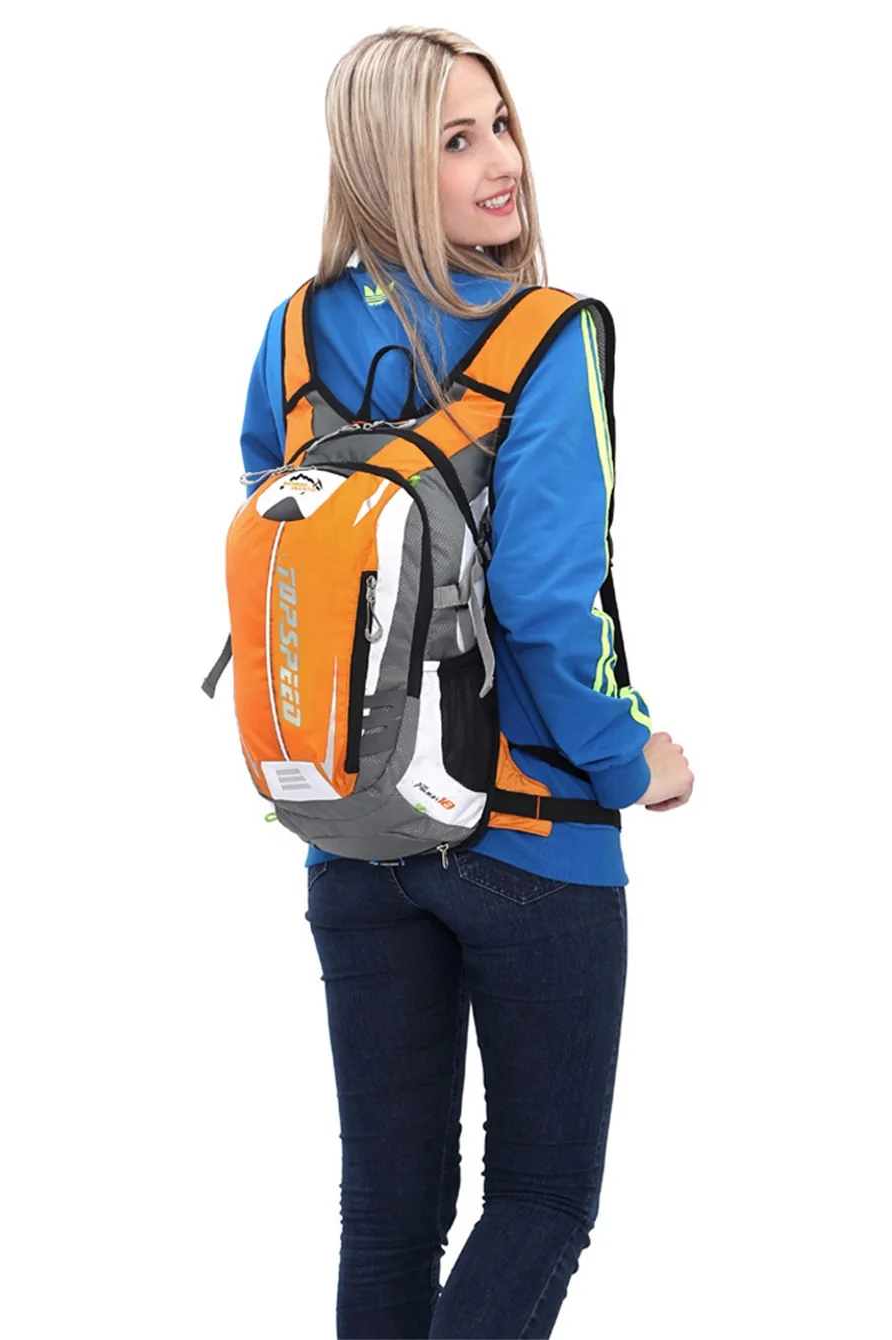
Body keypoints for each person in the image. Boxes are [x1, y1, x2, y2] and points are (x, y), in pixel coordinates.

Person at [238, 24, 694, 1339]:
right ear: (386, 160)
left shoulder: (294, 336)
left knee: (388, 1213)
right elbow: (551, 605)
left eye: (500, 125)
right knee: (542, 1201)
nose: (504, 163)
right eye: (455, 140)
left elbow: (282, 553)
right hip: (534, 838)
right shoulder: (550, 333)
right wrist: (635, 756)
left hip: (350, 829)